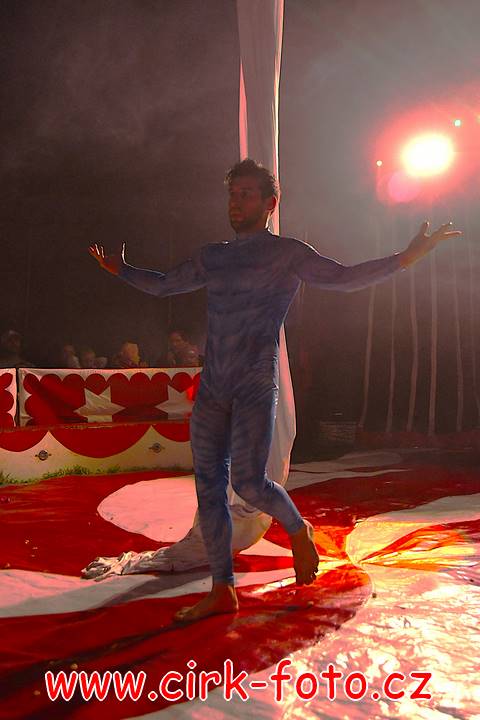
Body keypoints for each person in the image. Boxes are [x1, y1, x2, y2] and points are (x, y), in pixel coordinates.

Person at [88, 158, 461, 624]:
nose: (236, 202)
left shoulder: (288, 254)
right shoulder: (213, 256)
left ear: (271, 203)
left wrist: (404, 259)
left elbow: (344, 278)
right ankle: (222, 589)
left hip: (253, 382)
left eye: (246, 194)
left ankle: (297, 528)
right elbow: (165, 286)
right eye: (232, 194)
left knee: (248, 482)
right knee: (209, 489)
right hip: (215, 385)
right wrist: (121, 270)